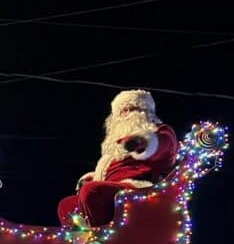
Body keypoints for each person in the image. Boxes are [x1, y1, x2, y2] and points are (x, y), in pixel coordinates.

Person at [58, 90, 178, 227]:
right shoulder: (116, 146)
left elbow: (166, 145)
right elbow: (108, 174)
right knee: (68, 205)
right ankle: (82, 240)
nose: (125, 114)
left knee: (92, 191)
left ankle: (100, 239)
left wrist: (143, 142)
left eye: (130, 109)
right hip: (110, 191)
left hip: (140, 191)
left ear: (144, 111)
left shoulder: (157, 131)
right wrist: (92, 177)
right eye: (122, 111)